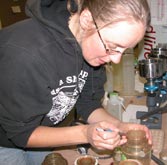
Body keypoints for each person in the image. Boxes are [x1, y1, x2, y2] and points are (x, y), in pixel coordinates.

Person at [0, 0, 151, 164]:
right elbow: (21, 134)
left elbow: (88, 103)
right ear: (86, 20)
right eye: (112, 47)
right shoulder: (26, 55)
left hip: (39, 129)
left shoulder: (89, 48)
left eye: (124, 50)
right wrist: (85, 133)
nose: (115, 60)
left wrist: (119, 126)